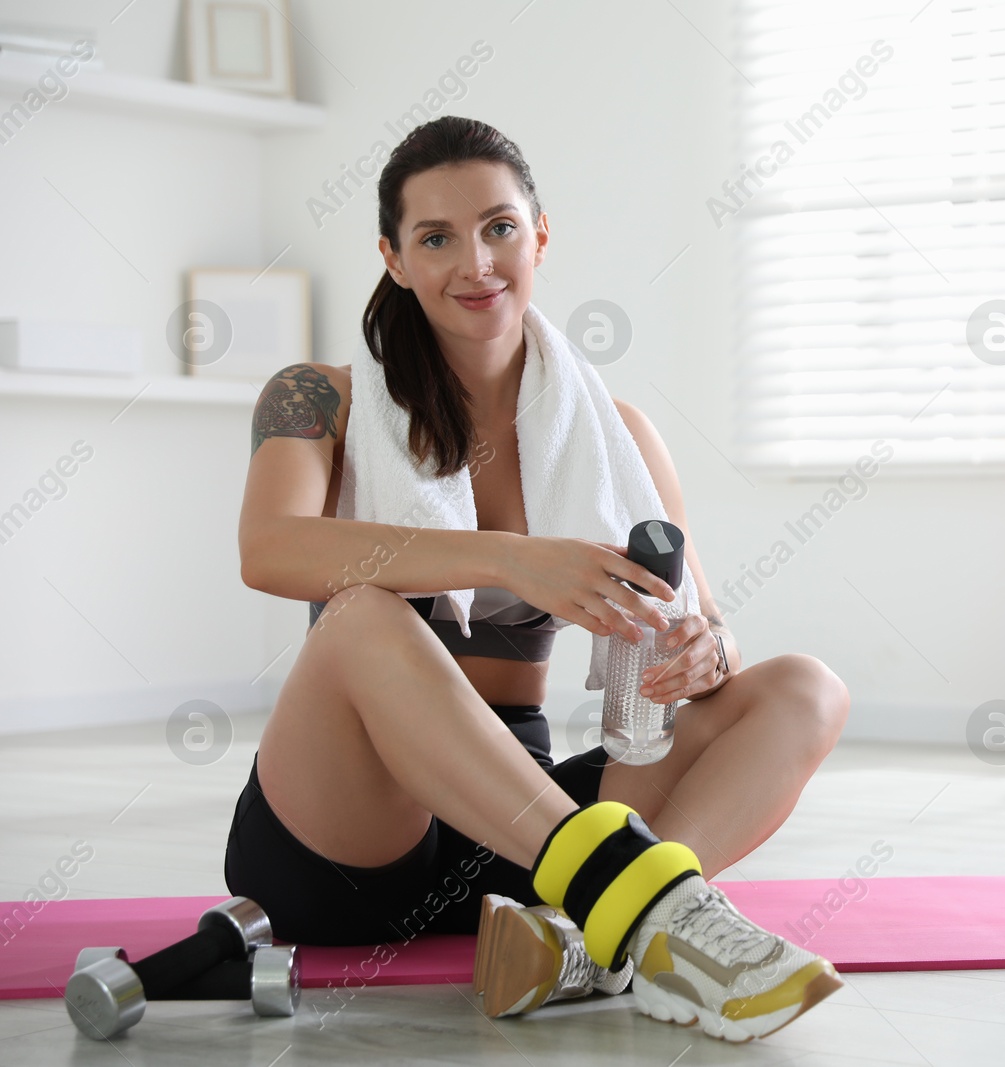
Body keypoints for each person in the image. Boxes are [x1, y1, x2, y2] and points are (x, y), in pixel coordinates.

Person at [225, 115, 851, 1041]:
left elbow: (711, 624)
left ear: (539, 235)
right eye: (436, 238)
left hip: (521, 833)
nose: (475, 262)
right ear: (394, 259)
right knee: (361, 615)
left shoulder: (617, 434)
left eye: (499, 228)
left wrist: (700, 652)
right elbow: (269, 549)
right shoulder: (317, 395)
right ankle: (647, 914)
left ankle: (581, 937)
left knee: (806, 687)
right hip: (352, 837)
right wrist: (511, 555)